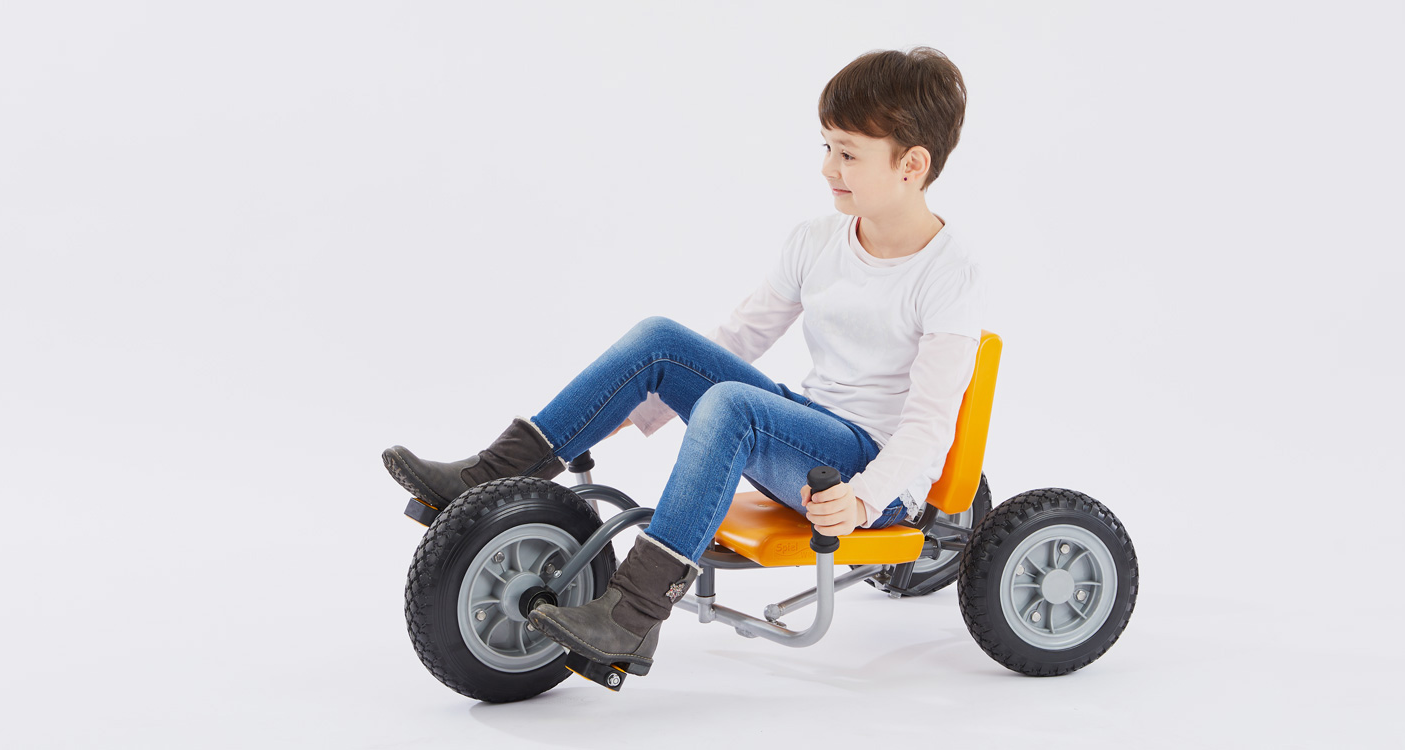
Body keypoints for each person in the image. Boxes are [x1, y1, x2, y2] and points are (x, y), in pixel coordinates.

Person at [382, 45, 983, 681]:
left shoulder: (950, 274)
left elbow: (930, 424)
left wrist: (862, 500)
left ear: (911, 165)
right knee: (662, 339)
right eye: (825, 147)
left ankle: (633, 618)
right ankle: (492, 473)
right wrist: (632, 403)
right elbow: (739, 340)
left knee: (734, 406)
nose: (828, 167)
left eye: (848, 153)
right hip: (805, 432)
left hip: (864, 473)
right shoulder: (817, 239)